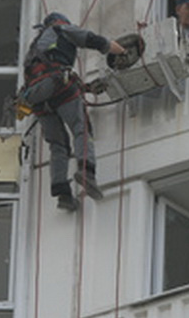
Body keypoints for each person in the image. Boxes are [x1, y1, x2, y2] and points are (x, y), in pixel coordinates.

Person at [21, 12, 126, 211]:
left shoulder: (34, 48)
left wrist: (85, 88)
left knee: (58, 144)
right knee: (81, 128)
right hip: (57, 85)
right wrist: (118, 50)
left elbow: (46, 74)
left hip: (36, 97)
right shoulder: (61, 29)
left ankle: (63, 194)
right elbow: (91, 40)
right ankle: (87, 172)